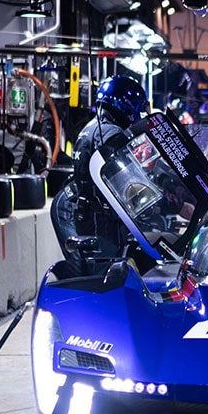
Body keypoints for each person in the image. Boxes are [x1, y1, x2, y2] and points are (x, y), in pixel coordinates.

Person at [49, 75, 147, 274]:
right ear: (128, 106)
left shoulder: (93, 128)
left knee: (97, 270)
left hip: (80, 207)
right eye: (139, 109)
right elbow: (127, 182)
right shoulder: (111, 133)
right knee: (105, 275)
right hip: (92, 213)